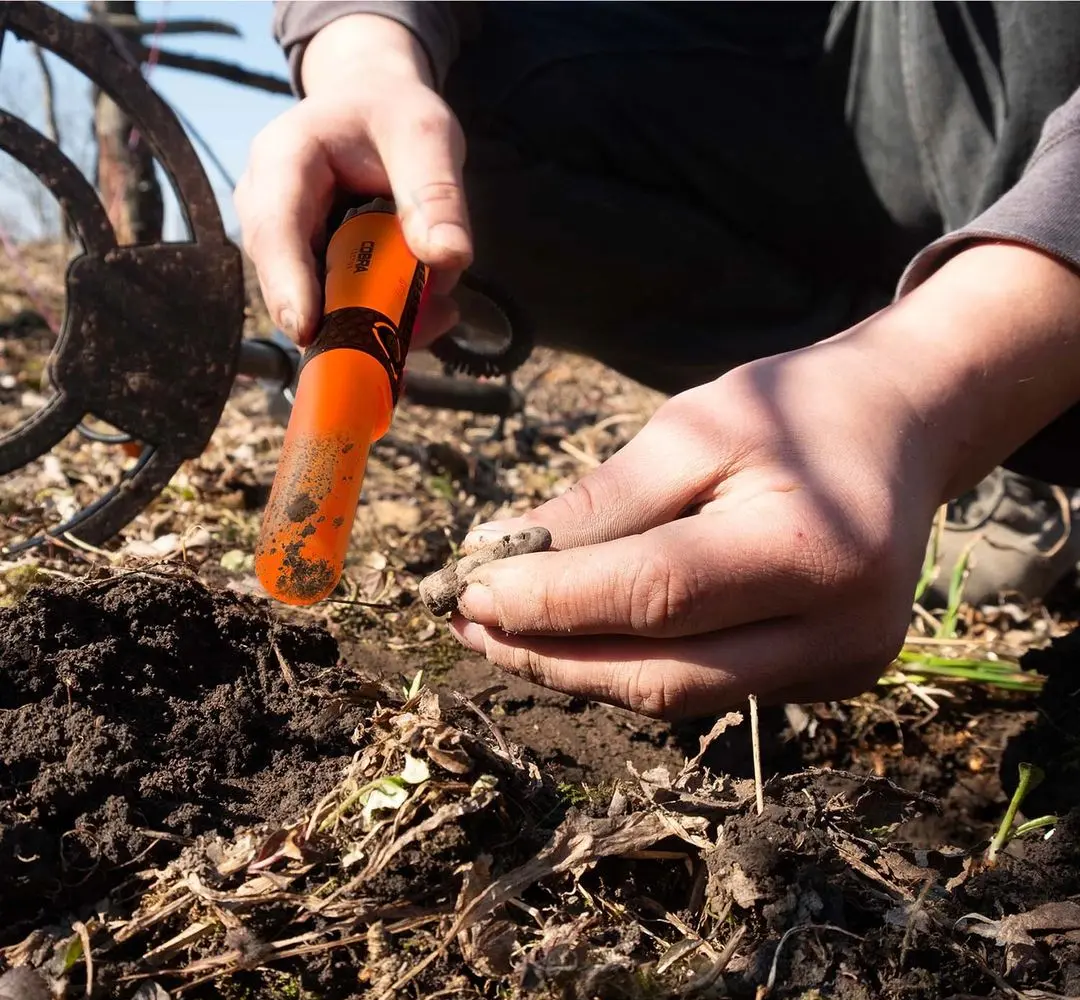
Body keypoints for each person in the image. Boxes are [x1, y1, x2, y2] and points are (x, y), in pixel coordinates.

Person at [237, 2, 1080, 720]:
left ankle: (1004, 406)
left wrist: (926, 382)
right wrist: (363, 52)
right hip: (846, 72)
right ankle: (878, 415)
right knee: (464, 103)